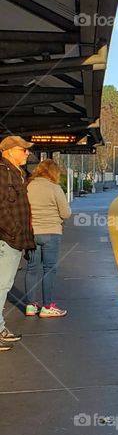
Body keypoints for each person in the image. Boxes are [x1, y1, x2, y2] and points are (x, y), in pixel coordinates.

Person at [0, 135, 35, 350]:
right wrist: (13, 231)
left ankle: (1, 327)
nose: (27, 153)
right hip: (6, 240)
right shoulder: (3, 173)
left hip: (13, 239)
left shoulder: (16, 174)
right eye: (24, 149)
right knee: (1, 286)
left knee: (4, 285)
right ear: (10, 150)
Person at [25, 159, 71, 318]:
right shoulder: (55, 188)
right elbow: (65, 214)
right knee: (49, 269)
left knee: (31, 269)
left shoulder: (28, 186)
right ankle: (47, 306)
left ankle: (30, 306)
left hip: (32, 233)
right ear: (54, 172)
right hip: (51, 233)